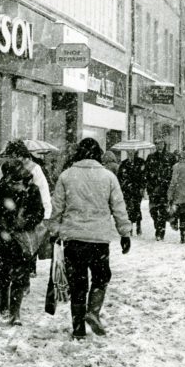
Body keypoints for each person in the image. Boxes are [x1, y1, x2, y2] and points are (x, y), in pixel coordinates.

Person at [49, 137, 132, 341]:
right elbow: (118, 207)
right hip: (99, 239)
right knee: (101, 277)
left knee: (77, 284)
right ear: (98, 154)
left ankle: (78, 329)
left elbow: (57, 208)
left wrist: (54, 232)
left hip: (73, 238)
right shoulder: (109, 177)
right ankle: (93, 311)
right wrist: (125, 233)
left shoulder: (66, 176)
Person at [0, 161, 44, 326]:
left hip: (22, 240)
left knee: (20, 276)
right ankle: (4, 300)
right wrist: (5, 227)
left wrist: (25, 222)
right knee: (2, 276)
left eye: (20, 182)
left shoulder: (32, 190)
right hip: (0, 239)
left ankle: (15, 313)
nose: (18, 186)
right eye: (14, 182)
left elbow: (39, 213)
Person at [0, 139, 51, 278]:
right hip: (10, 208)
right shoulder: (6, 167)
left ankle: (28, 269)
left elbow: (43, 191)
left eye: (14, 155)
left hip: (27, 208)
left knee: (28, 239)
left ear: (21, 154)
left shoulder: (34, 168)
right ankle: (15, 268)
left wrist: (45, 212)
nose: (12, 158)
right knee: (14, 240)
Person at [145, 141, 176, 240]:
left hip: (165, 189)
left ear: (164, 144)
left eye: (162, 143)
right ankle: (157, 224)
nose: (160, 146)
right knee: (153, 211)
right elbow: (147, 172)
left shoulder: (170, 157)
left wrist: (170, 186)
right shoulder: (150, 157)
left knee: (162, 211)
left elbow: (174, 173)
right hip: (153, 189)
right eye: (158, 143)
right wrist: (148, 184)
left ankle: (160, 232)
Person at [116, 149, 146, 236]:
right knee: (129, 208)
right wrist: (123, 185)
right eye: (129, 152)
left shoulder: (141, 162)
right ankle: (130, 227)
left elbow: (144, 175)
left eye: (132, 152)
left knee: (137, 207)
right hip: (127, 189)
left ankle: (138, 225)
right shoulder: (124, 163)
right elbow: (120, 176)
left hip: (137, 189)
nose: (131, 154)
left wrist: (142, 187)